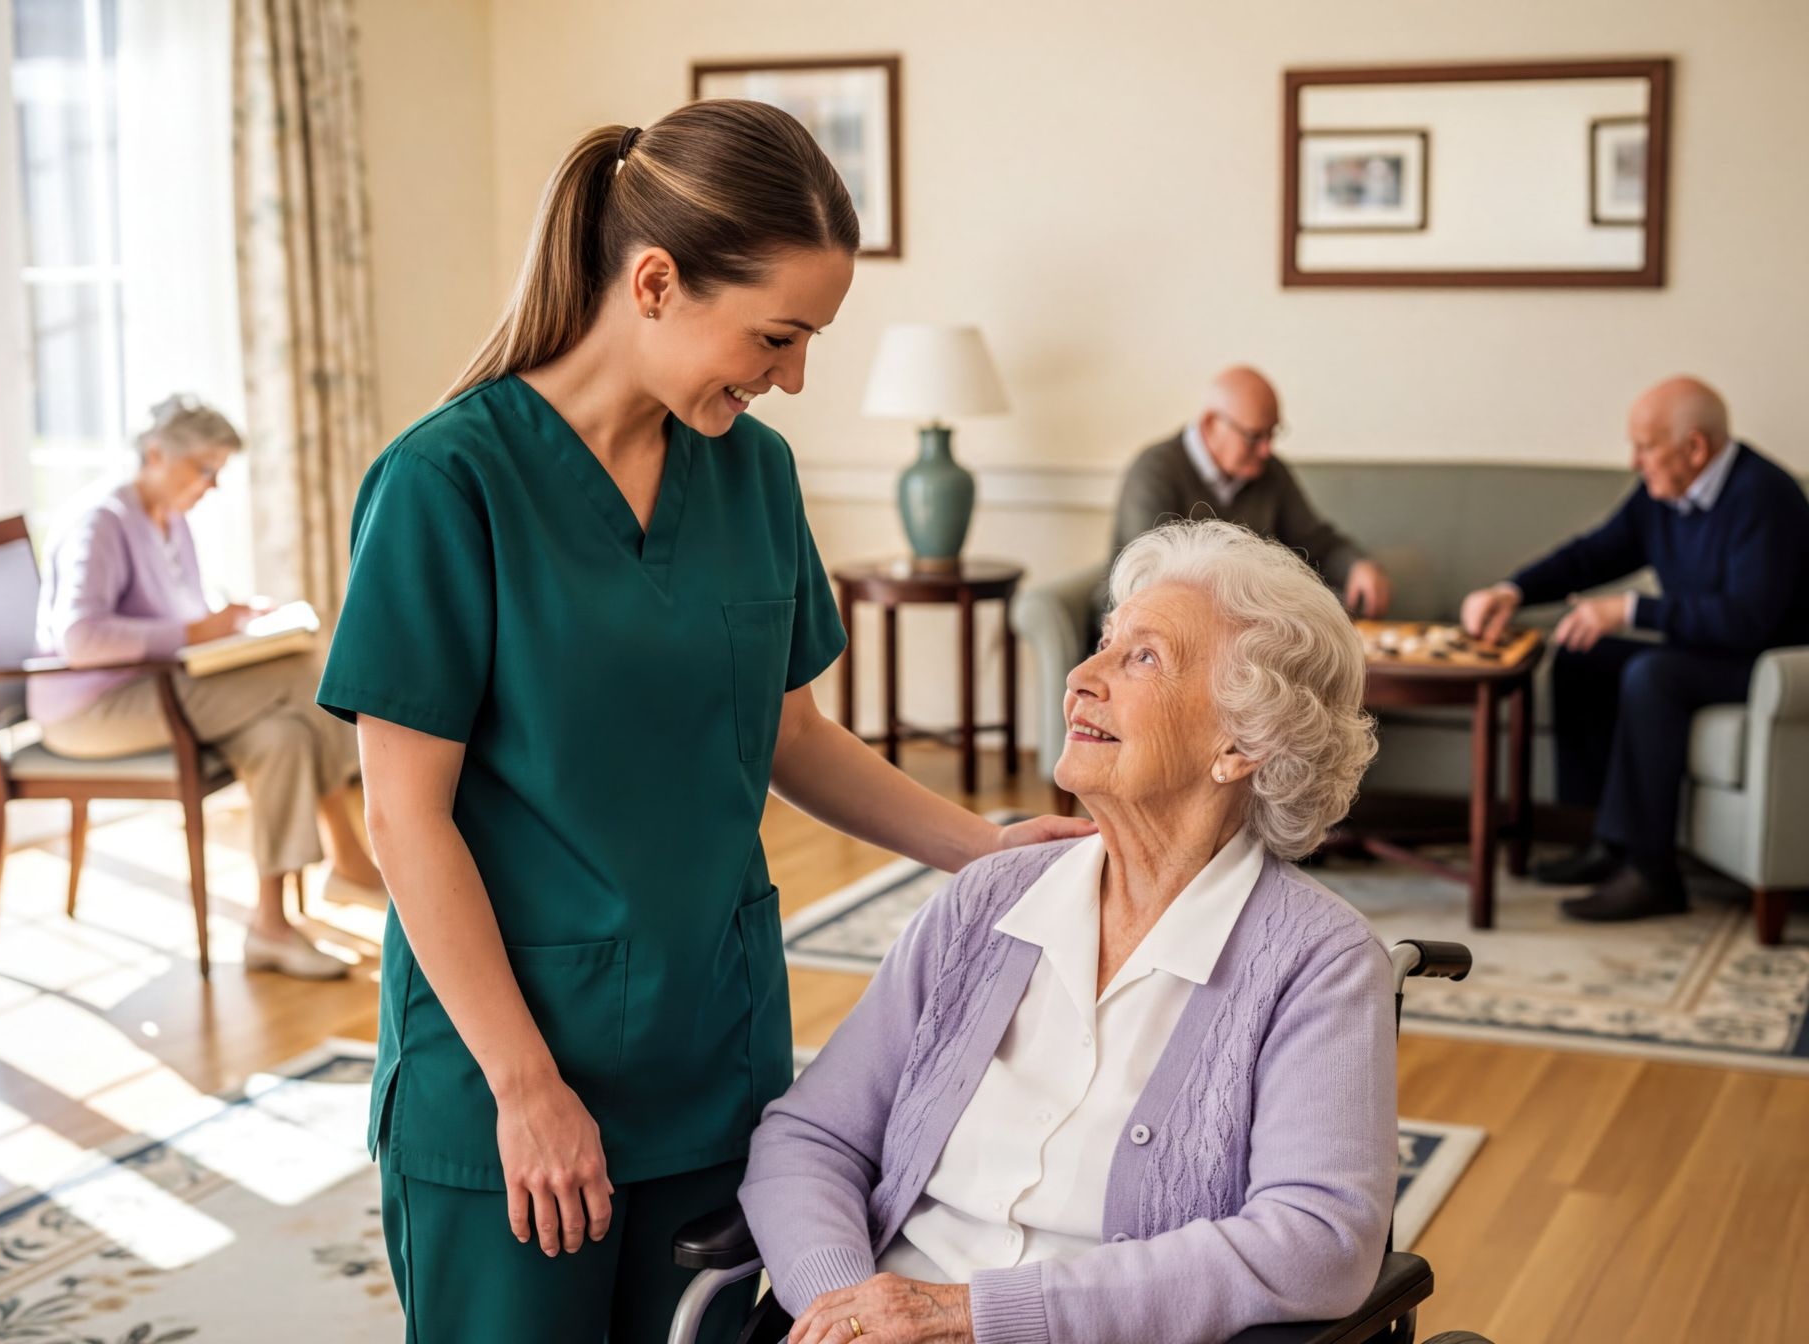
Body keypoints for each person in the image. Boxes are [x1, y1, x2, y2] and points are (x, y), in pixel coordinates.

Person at [315, 101, 1091, 1343]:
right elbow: (404, 819)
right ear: (659, 282)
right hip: (509, 1076)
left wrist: (985, 851)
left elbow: (791, 735)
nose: (789, 376)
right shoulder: (446, 483)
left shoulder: (754, 473)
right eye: (777, 335)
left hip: (710, 1060)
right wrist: (527, 1089)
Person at [741, 520, 1396, 1344]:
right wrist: (847, 1310)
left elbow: (1320, 1241)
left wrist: (972, 1318)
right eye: (1102, 646)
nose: (1082, 679)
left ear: (1241, 743)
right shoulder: (986, 902)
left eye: (1143, 658)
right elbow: (810, 1136)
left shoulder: (1317, 961)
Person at [32, 395, 378, 980]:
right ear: (156, 453)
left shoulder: (171, 523)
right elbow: (82, 639)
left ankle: (270, 928)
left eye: (219, 471)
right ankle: (347, 853)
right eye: (205, 469)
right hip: (92, 709)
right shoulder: (102, 521)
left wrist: (238, 620)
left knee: (283, 734)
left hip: (164, 693)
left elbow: (186, 617)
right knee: (301, 674)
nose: (212, 485)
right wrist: (202, 629)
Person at [1461, 376, 1809, 921]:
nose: (1634, 460)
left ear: (1694, 448)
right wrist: (1514, 591)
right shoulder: (1666, 493)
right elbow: (1595, 554)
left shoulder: (1766, 497)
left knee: (1654, 675)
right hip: (1708, 651)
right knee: (1579, 654)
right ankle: (1606, 840)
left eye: (1645, 446)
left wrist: (1630, 609)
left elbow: (1748, 621)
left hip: (1770, 667)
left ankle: (1653, 874)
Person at [1111, 366, 1392, 617]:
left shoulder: (1271, 472)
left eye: (1272, 434)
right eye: (1254, 436)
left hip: (1240, 630)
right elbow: (1153, 578)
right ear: (1211, 424)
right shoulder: (1154, 472)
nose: (1266, 449)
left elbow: (1317, 542)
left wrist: (1357, 566)